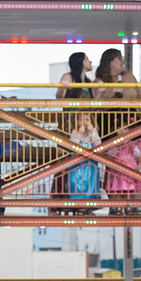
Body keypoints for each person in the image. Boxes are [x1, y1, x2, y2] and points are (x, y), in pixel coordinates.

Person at [52, 52, 95, 206]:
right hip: (69, 125)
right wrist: (62, 87)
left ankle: (82, 201)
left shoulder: (89, 82)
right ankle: (59, 201)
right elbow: (59, 96)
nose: (90, 61)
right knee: (65, 161)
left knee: (84, 161)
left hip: (84, 126)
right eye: (87, 58)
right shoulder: (69, 77)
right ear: (80, 61)